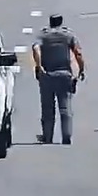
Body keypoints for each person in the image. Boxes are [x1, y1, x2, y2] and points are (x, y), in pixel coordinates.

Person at [31, 14, 85, 145]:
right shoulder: (68, 35)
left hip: (47, 75)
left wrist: (39, 66)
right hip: (64, 74)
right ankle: (66, 136)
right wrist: (81, 69)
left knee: (47, 108)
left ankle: (47, 137)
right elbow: (78, 53)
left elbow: (36, 48)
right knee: (65, 107)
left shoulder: (43, 35)